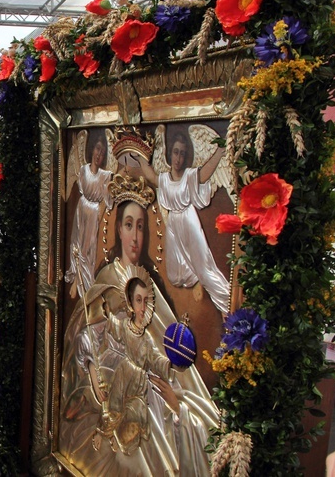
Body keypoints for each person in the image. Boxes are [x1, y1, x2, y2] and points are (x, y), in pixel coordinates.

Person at [59, 175, 218, 476]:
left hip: (148, 385)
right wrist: (96, 369)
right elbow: (85, 338)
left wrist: (170, 369)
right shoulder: (106, 279)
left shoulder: (149, 283)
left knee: (167, 407)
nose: (135, 236)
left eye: (141, 227)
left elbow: (156, 350)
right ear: (118, 229)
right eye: (129, 225)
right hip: (113, 386)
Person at [137, 131, 230, 315]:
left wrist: (219, 152)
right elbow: (151, 176)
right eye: (175, 152)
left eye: (181, 153)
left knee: (204, 268)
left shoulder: (189, 177)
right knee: (174, 274)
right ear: (169, 154)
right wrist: (139, 156)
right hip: (173, 225)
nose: (178, 158)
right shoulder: (164, 179)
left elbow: (203, 174)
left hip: (188, 222)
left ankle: (227, 304)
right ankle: (195, 282)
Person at [64, 131, 113, 299]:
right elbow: (77, 169)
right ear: (92, 150)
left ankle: (82, 282)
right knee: (76, 243)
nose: (99, 154)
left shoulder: (105, 176)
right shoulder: (84, 170)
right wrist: (75, 145)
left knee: (87, 249)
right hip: (81, 209)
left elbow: (107, 200)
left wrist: (99, 214)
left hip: (93, 213)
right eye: (98, 149)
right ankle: (76, 277)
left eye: (103, 152)